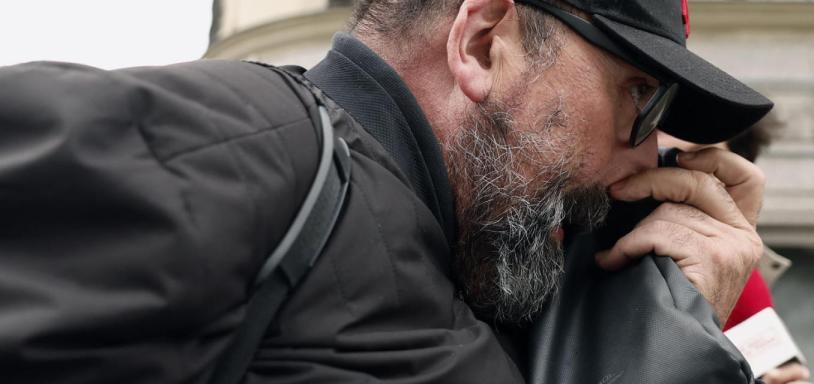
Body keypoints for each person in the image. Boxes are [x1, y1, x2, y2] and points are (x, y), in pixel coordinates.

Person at [0, 0, 772, 382]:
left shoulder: (484, 278)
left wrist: (657, 326)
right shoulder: (238, 148)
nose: (646, 154)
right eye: (639, 97)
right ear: (483, 44)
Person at [658, 114, 811, 384]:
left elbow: (779, 373)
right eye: (663, 158)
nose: (677, 184)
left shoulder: (741, 277)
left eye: (698, 165)